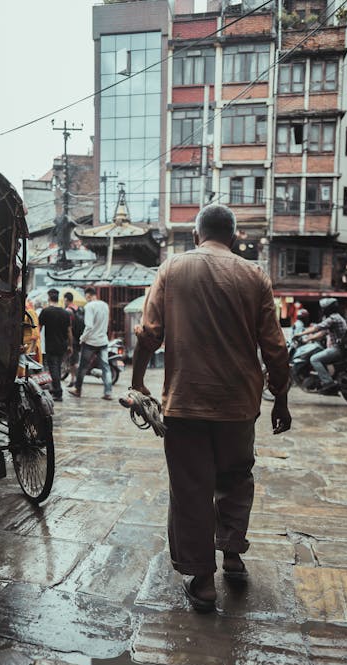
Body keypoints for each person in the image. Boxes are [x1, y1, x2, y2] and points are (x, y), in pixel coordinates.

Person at [130, 204, 291, 613]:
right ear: (234, 237)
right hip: (239, 404)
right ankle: (232, 555)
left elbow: (149, 335)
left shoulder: (173, 268)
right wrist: (282, 400)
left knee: (191, 489)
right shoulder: (254, 275)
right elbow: (275, 348)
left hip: (185, 402)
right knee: (236, 478)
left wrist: (135, 383)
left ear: (197, 235)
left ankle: (202, 581)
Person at [68, 286, 113, 400]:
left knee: (83, 367)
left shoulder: (89, 306)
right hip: (103, 340)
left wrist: (82, 338)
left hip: (91, 342)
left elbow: (89, 326)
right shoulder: (105, 305)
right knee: (106, 367)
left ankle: (78, 390)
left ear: (88, 295)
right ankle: (108, 392)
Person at [301, 297, 347, 395]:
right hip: (339, 348)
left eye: (324, 308)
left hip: (337, 349)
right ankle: (323, 379)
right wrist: (309, 339)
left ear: (328, 308)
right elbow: (323, 332)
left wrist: (300, 334)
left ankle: (328, 383)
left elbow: (317, 328)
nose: (322, 311)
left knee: (314, 359)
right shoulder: (336, 317)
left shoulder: (333, 318)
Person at [38, 288, 73, 402]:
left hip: (51, 345)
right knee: (57, 368)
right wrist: (70, 345)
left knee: (54, 369)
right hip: (62, 346)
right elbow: (69, 331)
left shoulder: (46, 311)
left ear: (49, 297)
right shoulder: (65, 313)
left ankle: (58, 392)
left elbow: (38, 329)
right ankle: (55, 390)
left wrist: (35, 343)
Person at [63, 291, 81, 387]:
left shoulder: (68, 311)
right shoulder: (78, 308)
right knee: (75, 360)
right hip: (78, 338)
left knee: (72, 361)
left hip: (72, 338)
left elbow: (68, 328)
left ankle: (75, 380)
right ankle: (73, 379)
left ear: (66, 299)